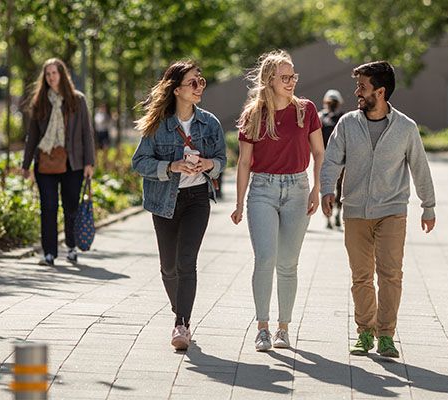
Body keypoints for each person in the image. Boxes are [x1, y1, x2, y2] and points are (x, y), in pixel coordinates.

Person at [320, 61, 436, 358]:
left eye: (362, 87)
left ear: (380, 91)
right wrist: (326, 189)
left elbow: (419, 167)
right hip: (356, 211)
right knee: (361, 276)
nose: (357, 92)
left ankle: (386, 335)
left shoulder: (405, 128)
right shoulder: (347, 123)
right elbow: (332, 159)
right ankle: (364, 333)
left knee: (390, 274)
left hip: (392, 211)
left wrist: (428, 205)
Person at [231, 50, 324, 352]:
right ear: (269, 79)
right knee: (265, 259)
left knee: (288, 263)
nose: (291, 81)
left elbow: (320, 153)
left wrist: (317, 188)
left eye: (293, 76)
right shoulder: (253, 114)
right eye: (285, 77)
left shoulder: (306, 110)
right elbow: (244, 163)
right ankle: (262, 328)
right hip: (262, 191)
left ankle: (284, 328)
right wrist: (239, 202)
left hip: (298, 189)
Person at [132, 60, 226, 351]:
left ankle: (181, 323)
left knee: (187, 262)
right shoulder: (158, 125)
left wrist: (209, 164)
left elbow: (222, 160)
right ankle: (179, 312)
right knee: (168, 267)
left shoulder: (210, 123)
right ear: (176, 90)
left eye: (202, 81)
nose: (199, 87)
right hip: (164, 201)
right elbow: (139, 162)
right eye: (193, 83)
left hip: (197, 198)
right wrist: (171, 166)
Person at [22, 58, 96, 267]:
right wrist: (25, 164)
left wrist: (89, 162)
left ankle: (71, 247)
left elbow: (86, 133)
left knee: (71, 206)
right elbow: (32, 135)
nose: (51, 77)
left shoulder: (77, 100)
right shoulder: (40, 102)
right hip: (45, 161)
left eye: (54, 73)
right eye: (48, 74)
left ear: (62, 75)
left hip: (73, 163)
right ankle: (49, 253)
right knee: (48, 207)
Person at [319, 89, 345, 229]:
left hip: (341, 158)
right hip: (324, 158)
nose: (332, 105)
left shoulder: (343, 118)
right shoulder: (320, 117)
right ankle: (328, 216)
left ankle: (337, 213)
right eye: (330, 102)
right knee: (326, 186)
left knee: (340, 187)